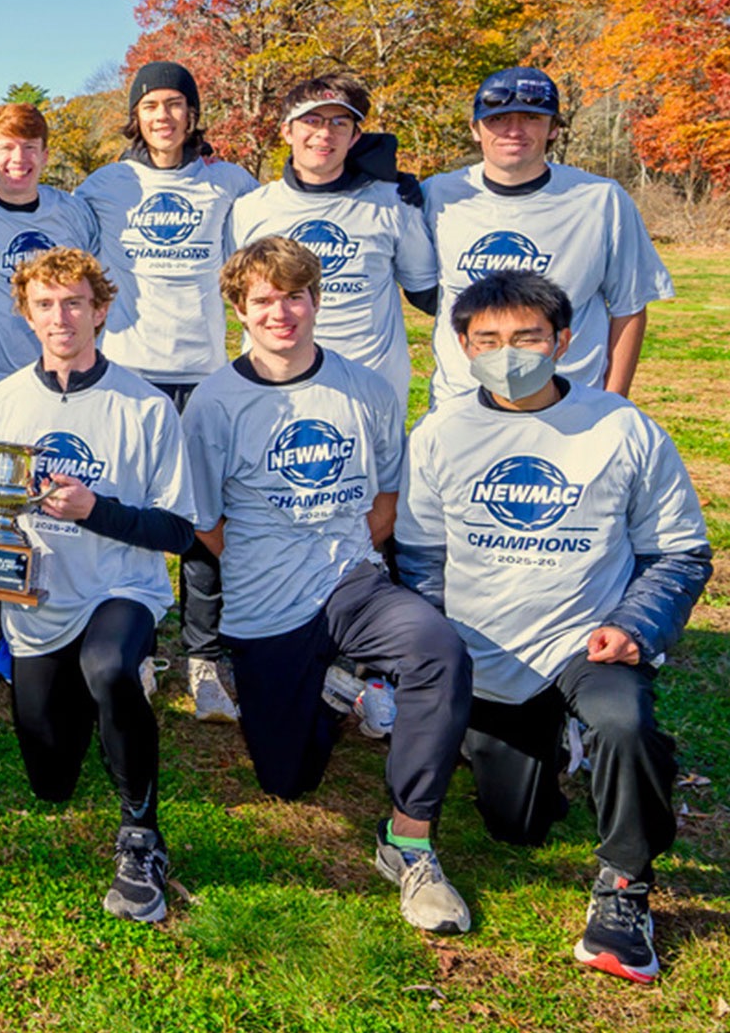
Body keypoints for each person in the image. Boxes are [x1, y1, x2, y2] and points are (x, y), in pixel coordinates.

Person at [397, 270, 712, 982]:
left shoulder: (622, 427)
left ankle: (625, 889)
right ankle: (547, 743)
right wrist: (437, 656)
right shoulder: (441, 433)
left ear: (564, 340)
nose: (510, 353)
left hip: (585, 640)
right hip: (486, 651)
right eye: (490, 340)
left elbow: (682, 553)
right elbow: (419, 558)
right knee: (518, 827)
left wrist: (635, 626)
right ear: (462, 345)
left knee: (626, 724)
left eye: (528, 337)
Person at [182, 236, 475, 934]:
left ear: (316, 300)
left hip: (353, 583)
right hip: (261, 606)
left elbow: (386, 501)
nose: (280, 312)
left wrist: (335, 561)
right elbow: (207, 524)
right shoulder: (214, 404)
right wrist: (270, 564)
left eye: (294, 296)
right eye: (263, 301)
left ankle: (408, 843)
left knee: (438, 650)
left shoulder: (365, 388)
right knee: (287, 781)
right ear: (239, 312)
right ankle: (327, 683)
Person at [0, 245, 195, 920]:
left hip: (118, 587)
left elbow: (180, 533)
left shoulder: (146, 405)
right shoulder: (0, 404)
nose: (60, 316)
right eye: (45, 304)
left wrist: (96, 509)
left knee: (109, 667)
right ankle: (87, 695)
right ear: (26, 314)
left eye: (75, 302)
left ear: (100, 311)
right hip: (38, 602)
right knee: (50, 780)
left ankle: (141, 834)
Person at [74, 61, 258, 722]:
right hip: (130, 370)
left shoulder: (231, 185)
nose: (163, 116)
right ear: (136, 115)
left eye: (176, 104)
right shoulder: (105, 185)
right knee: (135, 513)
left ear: (192, 114)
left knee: (203, 516)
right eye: (151, 104)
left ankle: (206, 660)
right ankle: (141, 650)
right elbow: (36, 221)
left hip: (208, 370)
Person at [0, 102, 101, 683]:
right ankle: (8, 638)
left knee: (64, 505)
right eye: (6, 148)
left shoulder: (73, 212)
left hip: (65, 382)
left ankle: (78, 621)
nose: (19, 159)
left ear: (45, 154)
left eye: (30, 147)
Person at [422, 67, 672, 406]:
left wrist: (613, 405)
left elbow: (629, 308)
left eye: (530, 117)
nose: (513, 130)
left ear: (554, 128)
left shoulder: (600, 200)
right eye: (497, 119)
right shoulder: (437, 196)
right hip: (463, 406)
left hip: (571, 407)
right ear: (475, 129)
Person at [230, 73, 438, 408]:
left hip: (371, 389)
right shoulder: (250, 208)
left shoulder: (393, 203)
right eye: (311, 120)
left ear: (355, 136)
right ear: (287, 130)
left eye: (339, 123)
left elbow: (427, 289)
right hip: (278, 391)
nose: (324, 133)